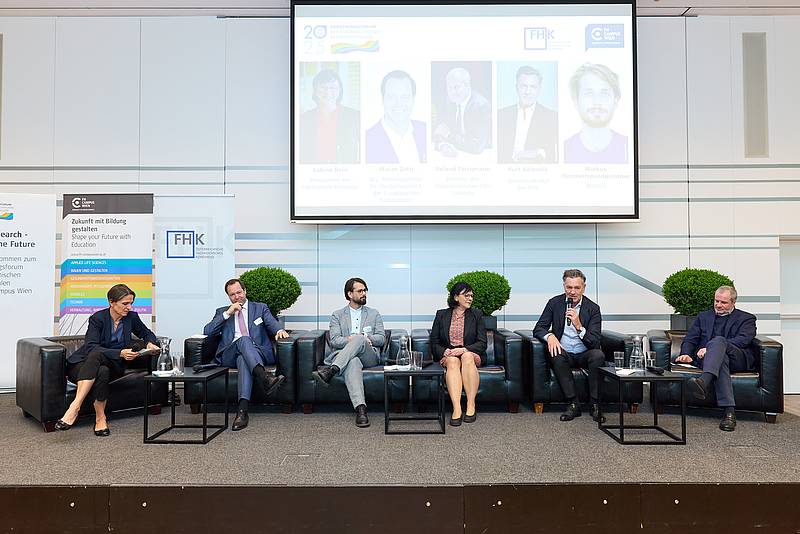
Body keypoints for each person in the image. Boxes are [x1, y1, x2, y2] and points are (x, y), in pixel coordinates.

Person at [54, 284, 161, 436]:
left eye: (131, 303)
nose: (129, 307)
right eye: (125, 303)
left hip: (114, 365)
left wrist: (150, 342)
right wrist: (120, 353)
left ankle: (74, 408)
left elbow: (146, 333)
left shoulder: (131, 317)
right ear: (112, 302)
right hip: (82, 365)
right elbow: (91, 347)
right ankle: (100, 418)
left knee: (102, 366)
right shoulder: (98, 318)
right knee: (99, 365)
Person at [203, 278, 289, 431]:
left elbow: (271, 323)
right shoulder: (222, 312)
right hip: (229, 354)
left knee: (243, 358)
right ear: (229, 297)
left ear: (245, 291)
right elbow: (207, 332)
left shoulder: (260, 308)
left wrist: (279, 330)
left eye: (239, 292)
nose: (237, 297)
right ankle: (265, 378)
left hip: (257, 353)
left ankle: (242, 412)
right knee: (243, 340)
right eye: (232, 295)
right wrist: (227, 314)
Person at [674, 286, 758, 432]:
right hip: (711, 361)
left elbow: (743, 340)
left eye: (723, 302)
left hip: (736, 358)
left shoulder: (746, 318)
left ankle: (704, 380)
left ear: (733, 302)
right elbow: (690, 339)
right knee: (721, 360)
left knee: (718, 341)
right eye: (716, 301)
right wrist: (686, 353)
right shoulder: (703, 316)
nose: (718, 305)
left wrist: (712, 347)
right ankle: (729, 413)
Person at [533, 269, 606, 423]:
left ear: (584, 287)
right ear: (564, 286)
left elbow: (594, 342)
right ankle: (573, 404)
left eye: (577, 288)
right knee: (555, 354)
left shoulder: (593, 308)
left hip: (585, 353)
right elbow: (539, 328)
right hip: (564, 352)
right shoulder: (555, 303)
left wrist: (579, 326)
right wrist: (550, 336)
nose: (572, 292)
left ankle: (595, 405)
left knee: (598, 355)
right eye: (569, 287)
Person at [312, 277, 385, 428]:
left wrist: (365, 338)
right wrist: (351, 339)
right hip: (348, 358)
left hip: (369, 356)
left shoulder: (374, 314)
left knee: (359, 339)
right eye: (360, 291)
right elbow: (335, 341)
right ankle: (361, 410)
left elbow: (381, 339)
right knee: (352, 362)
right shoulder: (337, 315)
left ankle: (332, 370)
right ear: (350, 294)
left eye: (365, 290)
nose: (364, 293)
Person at [429, 282, 487, 426]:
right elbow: (434, 341)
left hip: (469, 353)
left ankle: (471, 404)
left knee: (466, 357)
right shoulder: (442, 315)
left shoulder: (477, 315)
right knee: (453, 361)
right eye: (466, 295)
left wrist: (465, 349)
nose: (470, 298)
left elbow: (482, 342)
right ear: (456, 297)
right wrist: (445, 351)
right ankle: (457, 408)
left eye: (471, 296)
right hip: (450, 355)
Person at [563, 63, 628, 164]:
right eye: (589, 94)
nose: (597, 102)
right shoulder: (564, 149)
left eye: (604, 94)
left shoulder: (628, 147)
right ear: (576, 101)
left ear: (615, 101)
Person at [497, 66, 558, 164]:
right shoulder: (501, 115)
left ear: (539, 89)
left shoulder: (552, 117)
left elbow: (553, 155)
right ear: (516, 87)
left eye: (533, 87)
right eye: (523, 86)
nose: (527, 92)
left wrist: (538, 152)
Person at [299, 68, 360, 164]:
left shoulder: (355, 116)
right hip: (313, 174)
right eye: (323, 88)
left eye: (332, 88)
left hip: (345, 174)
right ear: (315, 90)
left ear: (340, 90)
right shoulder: (303, 119)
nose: (328, 93)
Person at [365, 70, 427, 164]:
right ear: (382, 100)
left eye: (404, 97)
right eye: (391, 97)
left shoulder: (425, 131)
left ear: (413, 100)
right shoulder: (367, 140)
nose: (398, 104)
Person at [433, 67, 491, 156]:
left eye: (456, 87)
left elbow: (477, 147)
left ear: (467, 85)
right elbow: (440, 131)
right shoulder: (450, 101)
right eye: (449, 87)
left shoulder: (480, 106)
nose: (452, 92)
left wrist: (449, 136)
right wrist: (442, 146)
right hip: (457, 154)